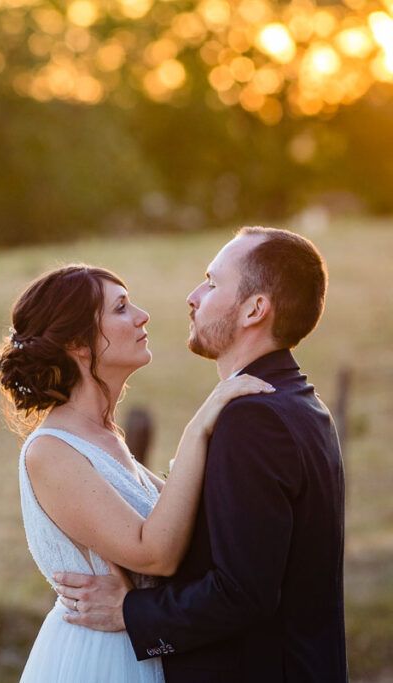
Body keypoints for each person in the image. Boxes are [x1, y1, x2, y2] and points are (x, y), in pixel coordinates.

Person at [53, 227, 347, 682]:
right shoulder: (300, 402)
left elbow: (243, 593)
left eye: (211, 283)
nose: (193, 297)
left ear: (254, 309)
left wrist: (132, 613)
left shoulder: (253, 418)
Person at [0, 263, 274, 682]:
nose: (142, 316)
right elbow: (154, 554)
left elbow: (190, 533)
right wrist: (199, 428)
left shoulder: (106, 438)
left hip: (139, 646)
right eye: (121, 308)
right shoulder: (50, 450)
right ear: (78, 343)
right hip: (99, 658)